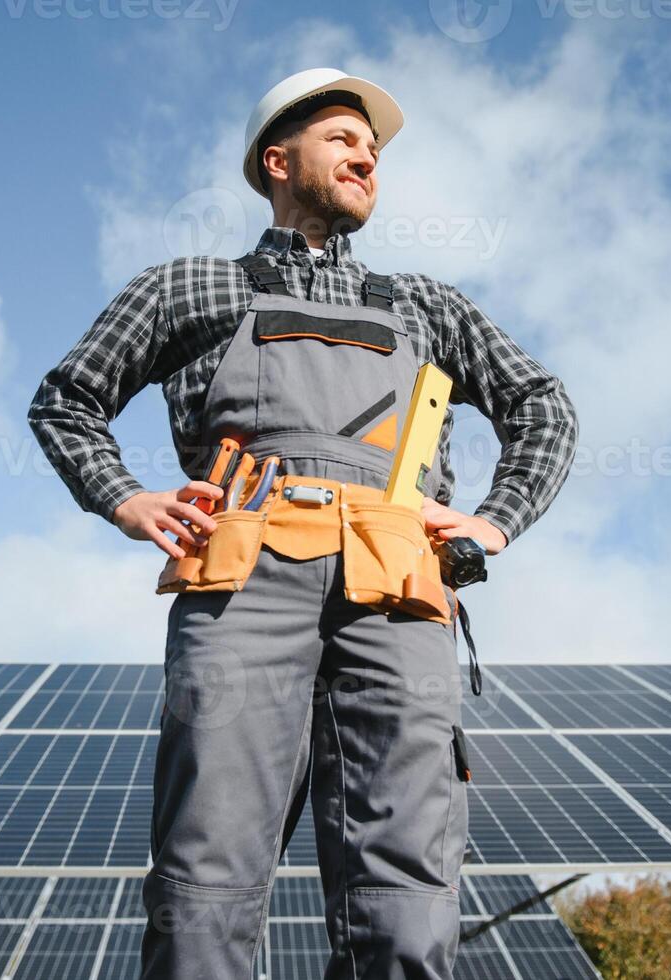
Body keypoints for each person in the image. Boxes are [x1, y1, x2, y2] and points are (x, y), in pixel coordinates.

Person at [29, 67, 578, 980]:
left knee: (407, 886)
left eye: (374, 148)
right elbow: (66, 400)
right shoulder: (189, 287)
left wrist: (494, 523)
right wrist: (125, 498)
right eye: (343, 139)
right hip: (243, 579)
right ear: (277, 162)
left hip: (398, 586)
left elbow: (542, 405)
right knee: (206, 872)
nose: (367, 154)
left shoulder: (425, 306)